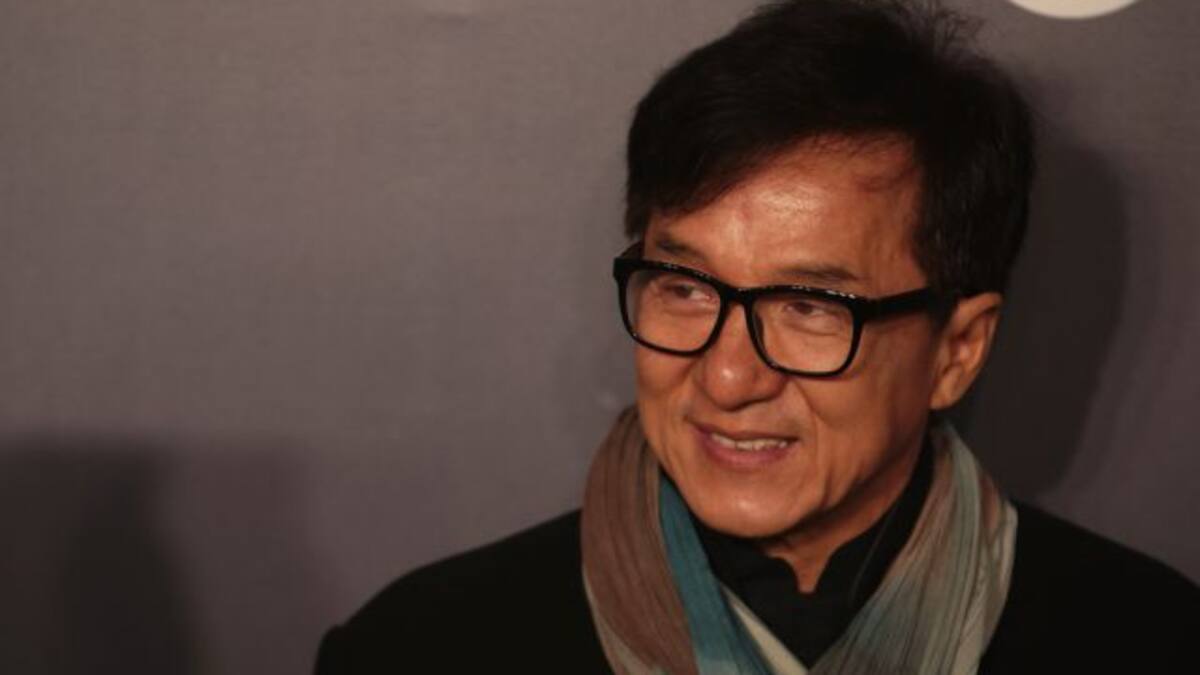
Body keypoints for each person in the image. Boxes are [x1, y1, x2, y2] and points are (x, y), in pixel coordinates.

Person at [315, 1, 1198, 672]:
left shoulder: (1149, 641)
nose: (728, 376)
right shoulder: (421, 648)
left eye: (810, 306)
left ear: (956, 351)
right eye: (684, 287)